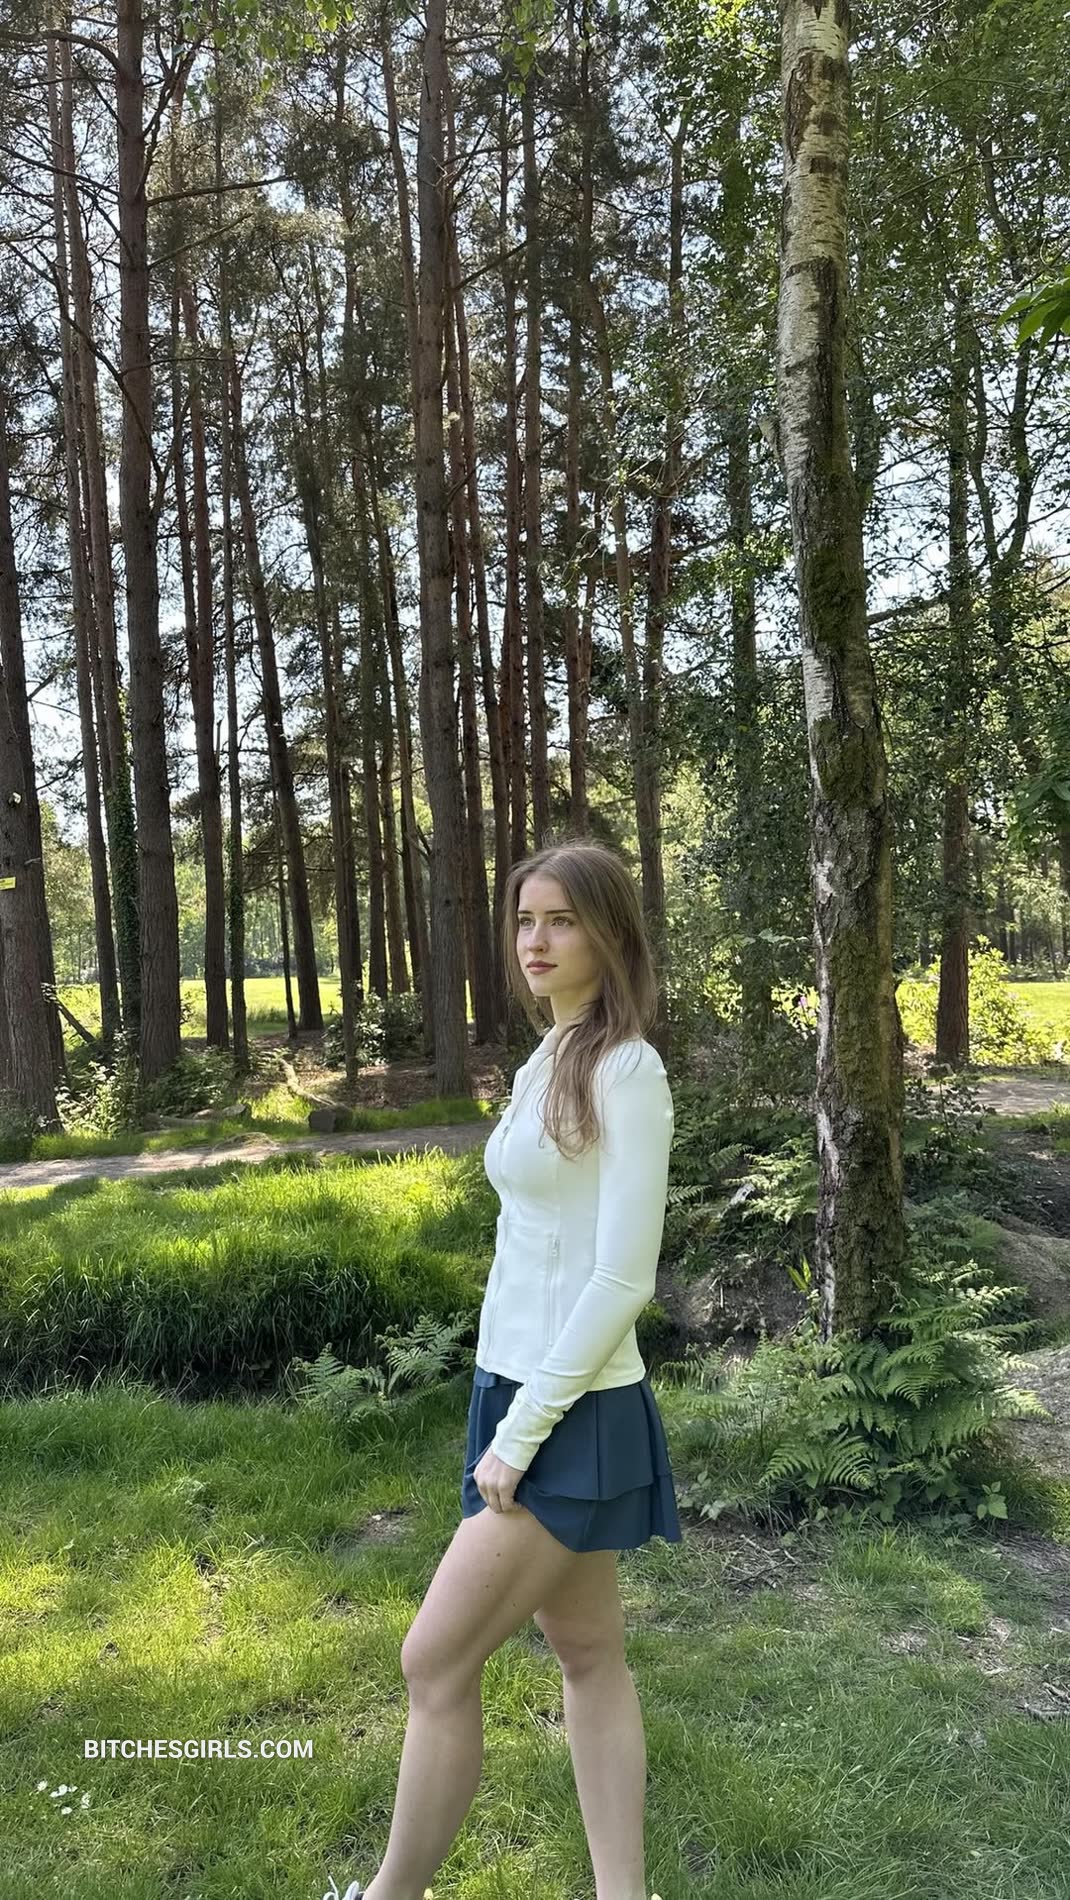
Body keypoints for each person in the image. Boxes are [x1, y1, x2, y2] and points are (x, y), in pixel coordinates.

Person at [322, 839, 680, 1900]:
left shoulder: (626, 1069)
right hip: (519, 1386)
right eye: (526, 918)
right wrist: (499, 1400)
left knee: (433, 1660)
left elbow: (621, 1278)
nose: (536, 939)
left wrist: (521, 1433)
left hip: (570, 1411)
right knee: (588, 1653)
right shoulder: (548, 1055)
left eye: (561, 920)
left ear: (609, 933)